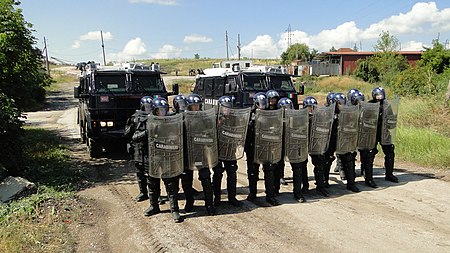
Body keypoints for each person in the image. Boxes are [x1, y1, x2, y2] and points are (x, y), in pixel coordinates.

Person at [134, 97, 182, 222]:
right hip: (152, 157)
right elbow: (135, 137)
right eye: (160, 110)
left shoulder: (171, 121)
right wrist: (147, 131)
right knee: (152, 184)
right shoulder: (147, 120)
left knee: (171, 184)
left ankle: (175, 210)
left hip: (168, 156)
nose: (163, 112)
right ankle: (153, 206)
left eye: (164, 110)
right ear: (155, 111)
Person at [181, 93, 216, 215]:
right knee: (186, 179)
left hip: (200, 152)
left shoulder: (205, 118)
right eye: (193, 106)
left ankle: (209, 205)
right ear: (188, 106)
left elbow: (211, 132)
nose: (195, 108)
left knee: (206, 178)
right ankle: (189, 202)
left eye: (197, 105)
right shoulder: (182, 118)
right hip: (186, 153)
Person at [245, 92, 280, 206]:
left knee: (269, 171)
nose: (262, 105)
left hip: (266, 146)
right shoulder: (249, 114)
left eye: (264, 102)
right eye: (260, 103)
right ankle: (252, 193)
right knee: (252, 172)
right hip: (252, 147)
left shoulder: (270, 114)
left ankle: (270, 195)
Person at [212, 96, 242, 207]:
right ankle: (217, 197)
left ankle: (232, 197)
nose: (227, 110)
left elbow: (239, 131)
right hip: (218, 150)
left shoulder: (234, 119)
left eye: (228, 108)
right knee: (218, 174)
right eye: (224, 107)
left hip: (230, 150)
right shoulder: (214, 118)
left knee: (232, 173)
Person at [124, 96, 153, 202]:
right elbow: (127, 134)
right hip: (138, 149)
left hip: (151, 149)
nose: (148, 108)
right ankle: (143, 193)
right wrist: (132, 126)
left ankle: (155, 195)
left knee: (152, 174)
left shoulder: (155, 117)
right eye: (146, 107)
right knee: (140, 172)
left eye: (150, 107)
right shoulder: (135, 117)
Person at [277, 97, 306, 202]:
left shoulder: (296, 118)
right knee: (276, 167)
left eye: (288, 107)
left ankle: (298, 193)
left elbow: (301, 130)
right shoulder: (275, 118)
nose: (286, 110)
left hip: (292, 145)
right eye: (284, 108)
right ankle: (274, 191)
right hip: (279, 145)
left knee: (297, 168)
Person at [369, 87, 399, 183]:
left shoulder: (387, 105)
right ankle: (367, 175)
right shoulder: (369, 104)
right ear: (374, 95)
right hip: (373, 132)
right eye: (378, 95)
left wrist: (392, 120)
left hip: (384, 132)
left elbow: (390, 118)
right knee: (369, 153)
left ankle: (389, 174)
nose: (379, 97)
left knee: (390, 152)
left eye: (381, 95)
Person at [334, 93, 361, 192]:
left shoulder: (348, 113)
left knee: (349, 159)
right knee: (324, 161)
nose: (340, 105)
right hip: (331, 140)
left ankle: (351, 183)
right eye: (338, 103)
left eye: (342, 103)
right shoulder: (327, 113)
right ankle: (323, 184)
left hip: (344, 139)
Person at [305, 96, 331, 197]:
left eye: (313, 107)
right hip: (304, 142)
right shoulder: (301, 117)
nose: (311, 109)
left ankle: (320, 186)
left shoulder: (320, 116)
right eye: (309, 107)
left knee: (319, 165)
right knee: (301, 166)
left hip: (316, 143)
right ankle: (304, 187)